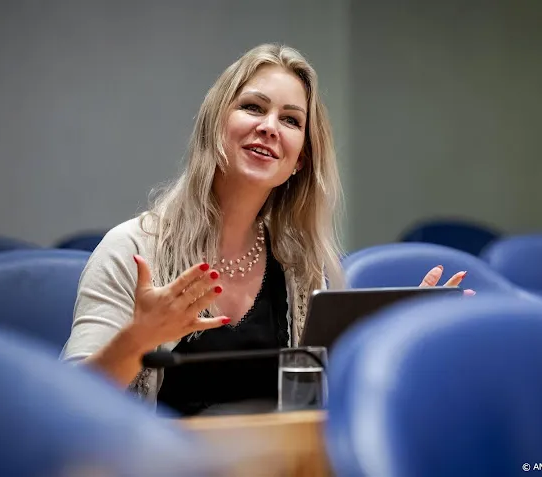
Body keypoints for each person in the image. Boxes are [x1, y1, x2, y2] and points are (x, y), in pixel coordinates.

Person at [60, 43, 470, 416]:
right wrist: (138, 340)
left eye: (291, 120)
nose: (270, 126)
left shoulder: (300, 268)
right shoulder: (131, 251)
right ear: (216, 124)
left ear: (300, 161)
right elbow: (70, 408)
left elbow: (326, 409)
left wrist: (408, 341)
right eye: (254, 108)